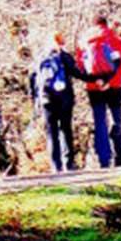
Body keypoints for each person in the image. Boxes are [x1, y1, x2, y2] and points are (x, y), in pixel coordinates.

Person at [77, 13, 121, 167]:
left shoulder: (83, 42)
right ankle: (119, 156)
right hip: (114, 85)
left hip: (94, 87)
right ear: (106, 24)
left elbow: (80, 66)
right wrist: (109, 81)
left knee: (100, 121)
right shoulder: (114, 39)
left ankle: (104, 159)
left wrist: (96, 81)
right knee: (116, 118)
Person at [29, 32, 85, 172]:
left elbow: (32, 79)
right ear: (60, 42)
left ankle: (55, 165)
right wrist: (98, 78)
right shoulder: (64, 57)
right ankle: (68, 163)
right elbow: (78, 73)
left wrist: (35, 99)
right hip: (64, 98)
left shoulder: (40, 58)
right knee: (65, 129)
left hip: (46, 99)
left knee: (51, 132)